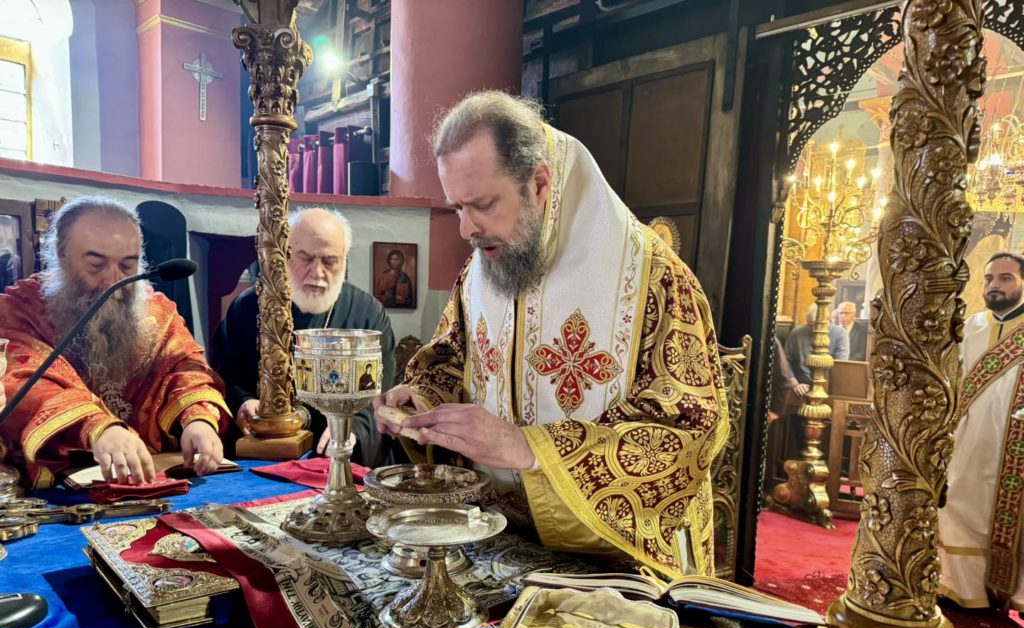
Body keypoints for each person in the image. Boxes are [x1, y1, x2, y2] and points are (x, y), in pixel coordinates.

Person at [374, 91, 727, 578]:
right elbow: (453, 358)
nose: (466, 229)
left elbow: (689, 428)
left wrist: (531, 448)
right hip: (495, 541)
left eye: (483, 204)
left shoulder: (653, 277)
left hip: (616, 560)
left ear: (539, 182)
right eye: (457, 207)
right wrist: (424, 401)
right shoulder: (481, 270)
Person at [0, 196, 229, 488]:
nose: (113, 280)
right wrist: (99, 428)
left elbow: (185, 369)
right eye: (96, 264)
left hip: (145, 476)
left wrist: (198, 420)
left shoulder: (157, 312)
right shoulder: (17, 310)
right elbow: (22, 381)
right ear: (61, 254)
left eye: (127, 265)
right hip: (55, 484)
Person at [211, 208, 395, 465]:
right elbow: (223, 375)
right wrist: (243, 402)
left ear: (344, 260)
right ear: (285, 255)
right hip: (261, 453)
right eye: (305, 258)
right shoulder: (248, 307)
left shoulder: (367, 314)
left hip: (333, 457)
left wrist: (352, 431)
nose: (317, 272)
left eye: (330, 261)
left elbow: (379, 399)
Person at [939, 252, 1024, 612]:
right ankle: (958, 586)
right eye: (989, 278)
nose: (994, 286)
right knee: (958, 504)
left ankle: (1006, 591)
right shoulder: (970, 327)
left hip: (1013, 447)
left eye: (1005, 278)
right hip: (966, 440)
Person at [784, 304, 850, 386]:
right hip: (799, 383)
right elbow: (786, 360)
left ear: (827, 320)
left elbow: (840, 365)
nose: (813, 329)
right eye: (810, 325)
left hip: (827, 384)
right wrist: (793, 381)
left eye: (817, 325)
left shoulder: (841, 334)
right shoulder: (796, 333)